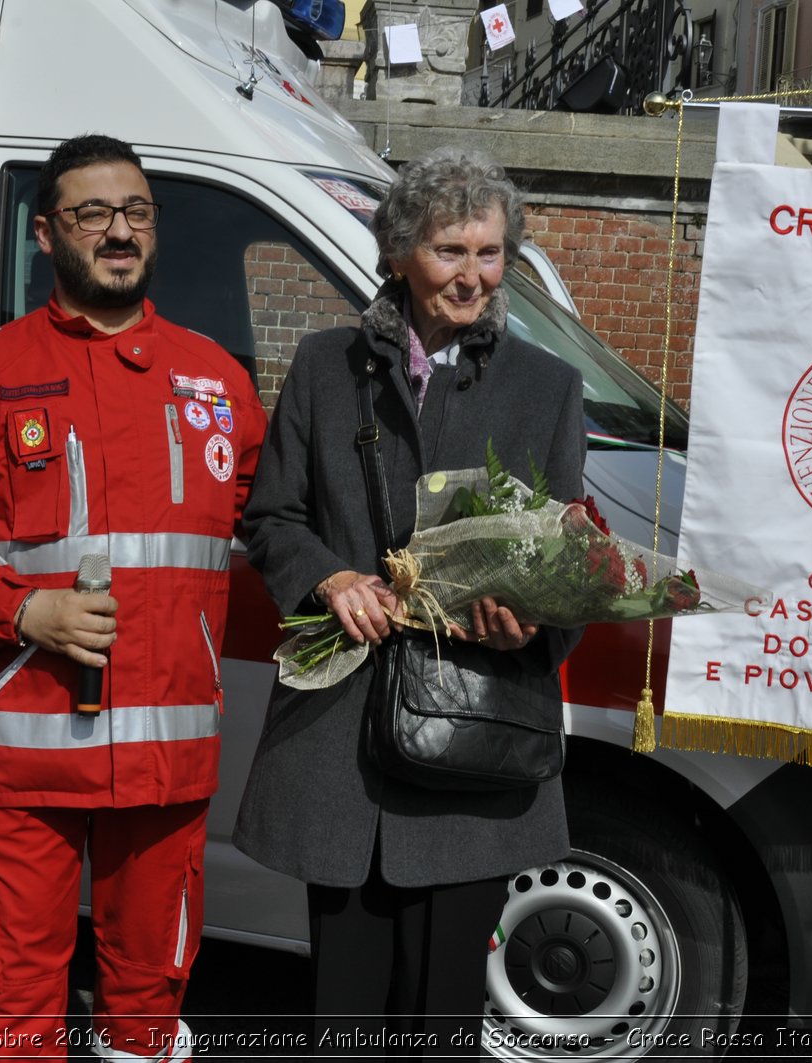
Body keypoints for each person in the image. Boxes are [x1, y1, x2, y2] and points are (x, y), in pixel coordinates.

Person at [0, 134, 264, 1061]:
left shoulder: (217, 378)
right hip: (26, 755)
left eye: (136, 211)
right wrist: (22, 610)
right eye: (93, 213)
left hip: (166, 760)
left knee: (147, 1013)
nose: (119, 230)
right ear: (47, 234)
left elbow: (277, 524)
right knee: (13, 1016)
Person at [232, 146, 586, 1056]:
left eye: (490, 252)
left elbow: (569, 562)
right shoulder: (323, 366)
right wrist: (329, 576)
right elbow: (271, 516)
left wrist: (536, 622)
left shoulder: (547, 389)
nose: (473, 275)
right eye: (449, 250)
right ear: (398, 253)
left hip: (474, 741)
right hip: (340, 745)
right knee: (342, 1014)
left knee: (441, 1025)